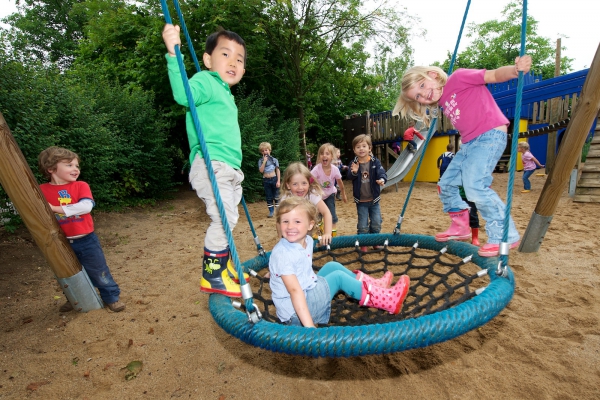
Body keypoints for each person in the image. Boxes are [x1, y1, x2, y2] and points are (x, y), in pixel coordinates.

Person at [392, 56, 532, 257]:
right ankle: (460, 227)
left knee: (475, 186)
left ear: (432, 74)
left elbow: (492, 75)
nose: (424, 94)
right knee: (446, 183)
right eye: (418, 96)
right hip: (469, 143)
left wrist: (515, 70)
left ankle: (504, 234)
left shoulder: (459, 78)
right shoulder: (441, 101)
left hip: (490, 134)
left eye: (422, 85)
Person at [163, 24, 248, 296]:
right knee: (224, 220)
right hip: (214, 165)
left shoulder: (225, 93)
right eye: (226, 55)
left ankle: (221, 266)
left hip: (229, 168)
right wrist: (173, 55)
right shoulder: (207, 82)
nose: (233, 62)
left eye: (239, 59)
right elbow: (183, 95)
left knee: (229, 217)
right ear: (208, 60)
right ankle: (212, 274)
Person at [268, 197, 410, 327]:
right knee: (337, 278)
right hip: (296, 314)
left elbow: (293, 265)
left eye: (297, 221)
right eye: (285, 221)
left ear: (310, 225)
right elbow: (294, 291)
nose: (290, 227)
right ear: (279, 224)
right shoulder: (282, 254)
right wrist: (309, 327)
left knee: (331, 266)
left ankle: (375, 285)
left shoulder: (307, 240)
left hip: (306, 292)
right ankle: (388, 300)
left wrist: (274, 273)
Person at [37, 147, 125, 313]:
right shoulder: (42, 191)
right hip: (60, 242)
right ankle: (75, 298)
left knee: (99, 271)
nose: (76, 169)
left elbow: (86, 206)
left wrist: (55, 208)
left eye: (77, 166)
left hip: (86, 240)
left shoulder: (80, 186)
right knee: (69, 274)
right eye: (69, 165)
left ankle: (111, 298)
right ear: (51, 169)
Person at [347, 134, 387, 252]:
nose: (361, 149)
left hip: (374, 199)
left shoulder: (375, 162)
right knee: (362, 225)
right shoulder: (354, 163)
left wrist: (382, 180)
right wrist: (354, 172)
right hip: (361, 201)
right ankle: (363, 243)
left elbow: (382, 173)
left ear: (370, 148)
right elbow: (349, 176)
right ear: (354, 150)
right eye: (358, 147)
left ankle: (375, 242)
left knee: (376, 222)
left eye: (364, 146)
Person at [279, 162, 333, 245]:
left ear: (309, 183)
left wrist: (327, 233)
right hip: (290, 233)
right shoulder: (286, 199)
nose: (300, 188)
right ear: (288, 185)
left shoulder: (311, 194)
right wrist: (281, 238)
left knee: (306, 250)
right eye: (295, 184)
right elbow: (279, 221)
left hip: (307, 233)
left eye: (304, 183)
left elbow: (326, 212)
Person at [311, 143, 347, 237]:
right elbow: (309, 180)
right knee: (317, 215)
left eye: (327, 153)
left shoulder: (335, 170)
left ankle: (333, 233)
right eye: (322, 153)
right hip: (318, 196)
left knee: (332, 214)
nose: (324, 156)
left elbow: (340, 183)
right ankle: (319, 230)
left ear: (332, 157)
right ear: (319, 156)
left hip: (330, 194)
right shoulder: (316, 169)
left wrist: (343, 194)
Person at [258, 142, 281, 217]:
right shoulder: (260, 161)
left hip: (274, 179)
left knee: (276, 196)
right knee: (269, 196)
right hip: (266, 180)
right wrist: (264, 161)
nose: (265, 152)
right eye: (263, 151)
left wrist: (278, 181)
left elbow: (277, 170)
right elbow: (261, 171)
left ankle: (278, 211)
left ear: (269, 150)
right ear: (261, 152)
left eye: (266, 150)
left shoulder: (274, 160)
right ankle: (271, 211)